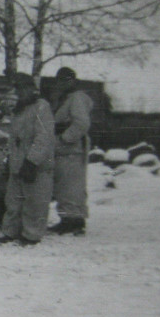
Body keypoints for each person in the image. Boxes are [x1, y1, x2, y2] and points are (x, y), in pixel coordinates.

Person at [0, 72, 56, 246]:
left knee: (35, 201)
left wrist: (32, 161)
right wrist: (10, 160)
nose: (20, 92)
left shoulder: (41, 107)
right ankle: (11, 232)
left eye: (23, 88)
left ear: (32, 89)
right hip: (18, 162)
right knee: (13, 201)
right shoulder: (19, 110)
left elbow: (43, 137)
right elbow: (13, 139)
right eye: (18, 89)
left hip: (34, 165)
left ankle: (32, 235)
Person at [49, 66, 93, 235]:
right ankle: (68, 219)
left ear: (73, 81)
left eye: (65, 80)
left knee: (71, 186)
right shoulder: (66, 99)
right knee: (64, 185)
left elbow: (81, 123)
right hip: (65, 148)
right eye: (59, 80)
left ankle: (74, 221)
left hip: (71, 148)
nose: (61, 84)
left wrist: (65, 138)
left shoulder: (76, 98)